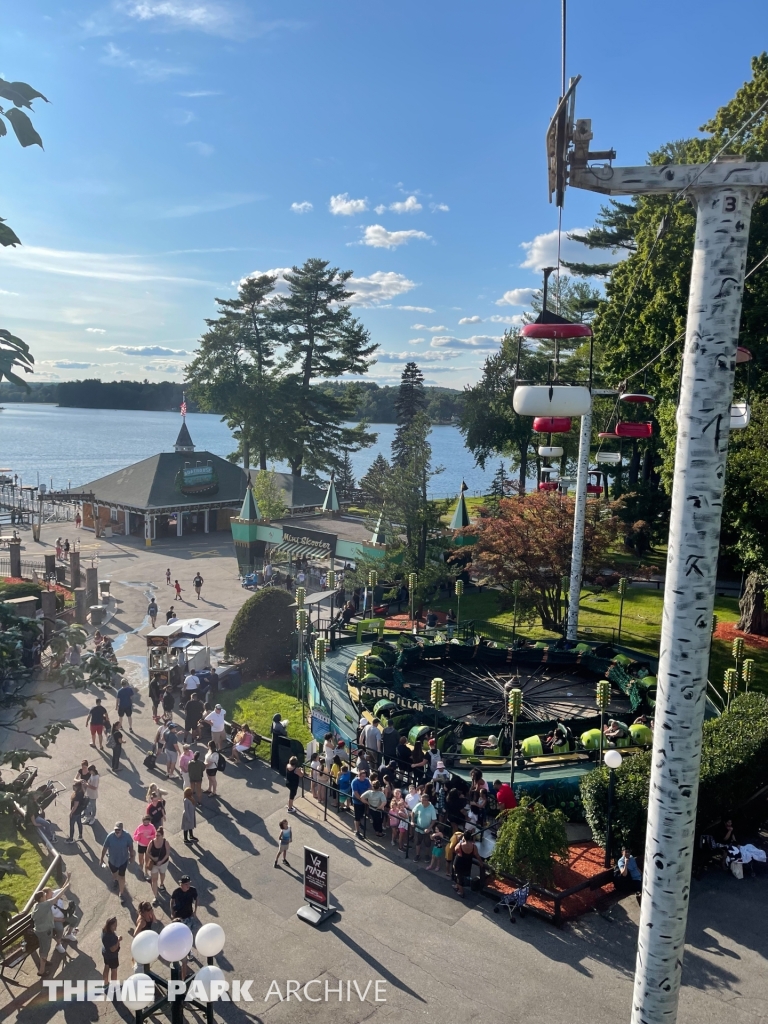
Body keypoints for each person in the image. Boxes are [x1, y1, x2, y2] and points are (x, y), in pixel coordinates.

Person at [32, 873, 72, 977]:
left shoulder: (36, 906)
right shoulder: (45, 905)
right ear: (41, 898)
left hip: (39, 931)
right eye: (44, 896)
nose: (46, 896)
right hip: (45, 932)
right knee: (44, 950)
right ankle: (41, 971)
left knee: (44, 948)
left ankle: (44, 963)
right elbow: (58, 896)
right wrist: (67, 887)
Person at [100, 822, 134, 904]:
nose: (117, 831)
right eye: (115, 829)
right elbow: (105, 847)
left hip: (123, 860)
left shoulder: (127, 836)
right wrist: (101, 858)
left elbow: (131, 846)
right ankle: (115, 880)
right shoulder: (110, 836)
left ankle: (121, 893)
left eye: (118, 830)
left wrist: (132, 856)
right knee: (114, 874)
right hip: (112, 860)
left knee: (122, 877)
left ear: (122, 829)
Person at [452, 827, 481, 897]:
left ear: (464, 837)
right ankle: (457, 886)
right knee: (462, 875)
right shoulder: (474, 847)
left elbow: (455, 850)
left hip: (459, 862)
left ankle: (461, 892)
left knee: (458, 876)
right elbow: (477, 855)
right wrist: (481, 862)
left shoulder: (460, 845)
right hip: (467, 863)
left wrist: (460, 841)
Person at [146, 827, 170, 904]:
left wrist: (161, 861)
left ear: (162, 835)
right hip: (154, 864)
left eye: (158, 835)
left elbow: (167, 854)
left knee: (162, 874)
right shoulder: (152, 842)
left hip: (163, 863)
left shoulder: (165, 843)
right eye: (156, 835)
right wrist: (153, 858)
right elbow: (147, 852)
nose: (157, 836)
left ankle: (162, 884)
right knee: (154, 880)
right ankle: (156, 897)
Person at [412, 792, 438, 862]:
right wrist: (412, 821)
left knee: (427, 843)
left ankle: (427, 856)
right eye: (422, 800)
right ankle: (417, 855)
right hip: (418, 828)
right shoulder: (419, 805)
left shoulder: (431, 807)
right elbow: (413, 812)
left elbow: (434, 819)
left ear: (427, 800)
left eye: (424, 800)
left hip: (427, 830)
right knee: (418, 842)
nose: (422, 801)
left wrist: (429, 828)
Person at [351, 767, 371, 839]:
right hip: (357, 801)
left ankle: (360, 824)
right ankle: (357, 831)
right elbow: (355, 793)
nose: (364, 778)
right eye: (362, 776)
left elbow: (369, 788)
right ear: (359, 776)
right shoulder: (355, 782)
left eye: (365, 776)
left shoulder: (367, 780)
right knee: (357, 816)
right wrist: (361, 799)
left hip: (364, 801)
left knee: (361, 815)